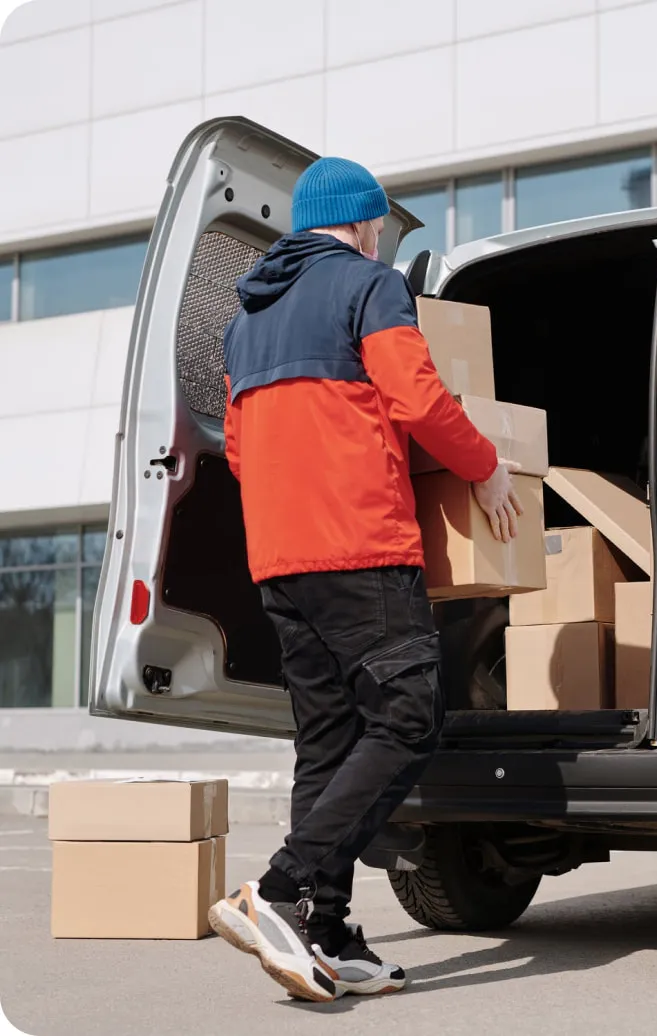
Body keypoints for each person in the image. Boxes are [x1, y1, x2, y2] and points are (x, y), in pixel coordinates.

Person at [207, 156, 522, 1002]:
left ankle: (327, 929)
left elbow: (238, 449)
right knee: (410, 719)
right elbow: (416, 398)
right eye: (379, 224)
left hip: (280, 558)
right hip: (360, 545)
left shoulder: (244, 322)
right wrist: (486, 467)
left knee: (329, 741)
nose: (381, 236)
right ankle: (278, 889)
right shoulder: (370, 287)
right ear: (362, 221)